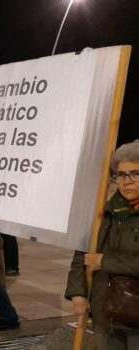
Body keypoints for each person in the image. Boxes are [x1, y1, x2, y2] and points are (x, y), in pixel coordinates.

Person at [66, 140, 139, 350]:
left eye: (135, 173)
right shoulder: (103, 211)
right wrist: (78, 294)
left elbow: (98, 260)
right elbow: (82, 253)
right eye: (121, 175)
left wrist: (105, 261)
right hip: (104, 311)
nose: (127, 181)